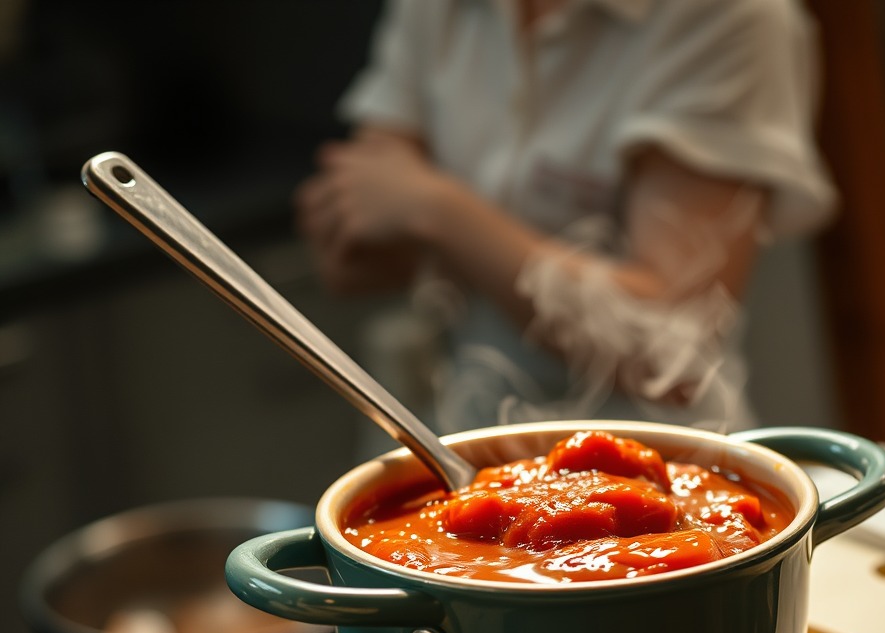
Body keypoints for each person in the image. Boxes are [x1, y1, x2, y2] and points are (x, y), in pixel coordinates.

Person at [294, 0, 837, 438]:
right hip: (461, 443)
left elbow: (668, 347)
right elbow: (349, 253)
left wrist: (436, 210)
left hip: (657, 466)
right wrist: (407, 215)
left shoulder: (732, 16)